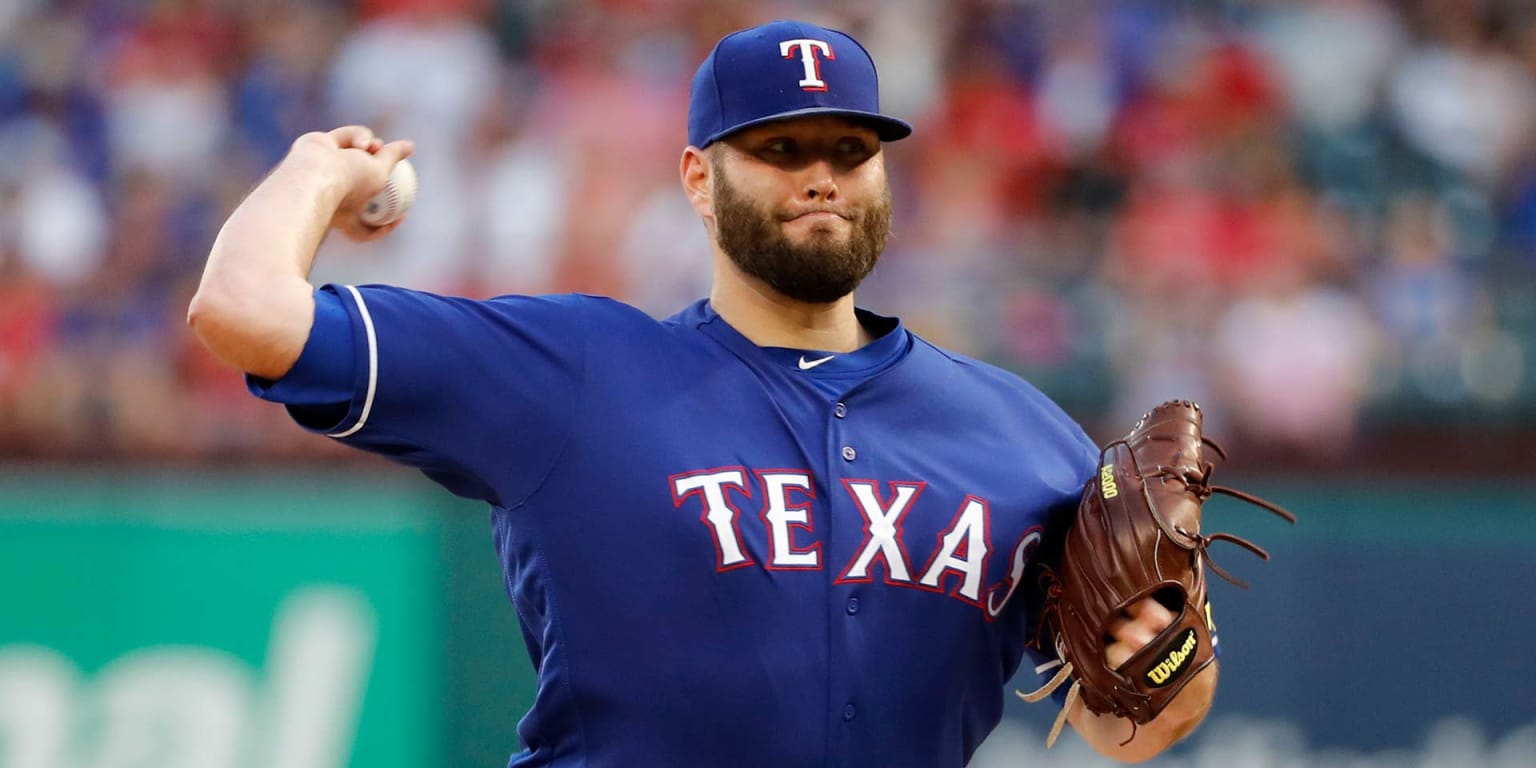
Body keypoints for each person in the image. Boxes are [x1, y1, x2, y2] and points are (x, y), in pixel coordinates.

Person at [189, 19, 1215, 767]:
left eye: (850, 152)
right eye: (780, 149)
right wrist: (317, 172)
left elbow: (1128, 720)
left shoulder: (1021, 437)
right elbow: (244, 311)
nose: (821, 175)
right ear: (696, 177)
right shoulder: (574, 373)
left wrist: (1171, 667)